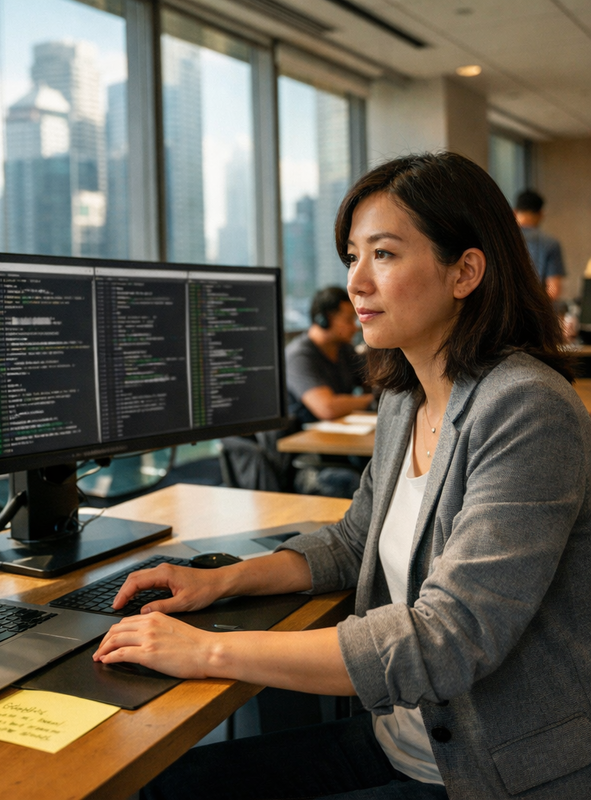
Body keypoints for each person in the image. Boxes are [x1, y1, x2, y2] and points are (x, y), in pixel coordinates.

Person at [93, 151, 591, 799]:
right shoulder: (404, 397)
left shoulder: (527, 405)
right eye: (352, 257)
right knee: (168, 786)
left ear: (466, 271)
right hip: (403, 738)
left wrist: (208, 651)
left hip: (493, 771)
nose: (356, 283)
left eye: (383, 254)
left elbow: (450, 638)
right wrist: (217, 582)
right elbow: (353, 540)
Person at [285, 286, 373, 425]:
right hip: (301, 440)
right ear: (323, 320)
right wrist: (372, 400)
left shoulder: (344, 350)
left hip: (336, 434)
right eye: (349, 320)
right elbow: (327, 408)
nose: (355, 327)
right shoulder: (298, 357)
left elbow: (372, 380)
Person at [514, 188, 565, 299]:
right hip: (537, 311)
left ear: (515, 212)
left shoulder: (503, 239)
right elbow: (553, 289)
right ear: (541, 214)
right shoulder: (550, 243)